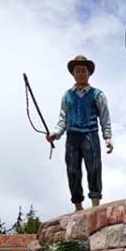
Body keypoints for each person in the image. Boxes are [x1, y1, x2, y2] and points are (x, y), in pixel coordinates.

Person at [47, 55, 113, 211]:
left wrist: (108, 137)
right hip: (72, 137)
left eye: (84, 71)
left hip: (91, 134)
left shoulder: (98, 95)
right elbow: (62, 119)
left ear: (89, 73)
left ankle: (95, 204)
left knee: (94, 168)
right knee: (72, 170)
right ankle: (78, 206)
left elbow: (105, 117)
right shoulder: (67, 95)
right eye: (78, 71)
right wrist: (55, 134)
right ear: (73, 74)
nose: (81, 73)